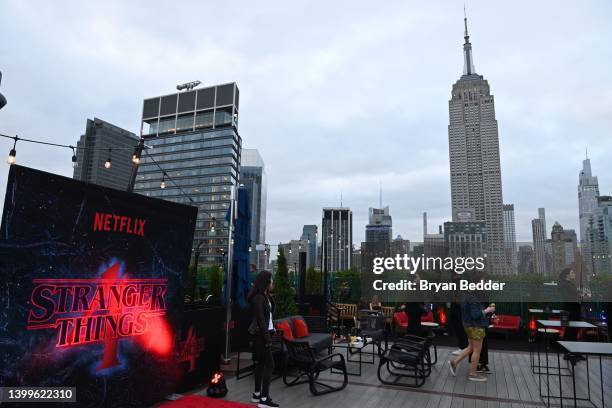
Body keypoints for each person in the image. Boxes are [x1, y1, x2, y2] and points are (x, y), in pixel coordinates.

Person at [449, 275, 495, 382]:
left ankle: (454, 362)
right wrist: (488, 310)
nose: (484, 285)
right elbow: (476, 315)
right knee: (477, 350)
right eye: (482, 283)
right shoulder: (474, 298)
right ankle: (472, 373)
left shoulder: (465, 295)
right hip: (476, 327)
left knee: (470, 348)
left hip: (468, 326)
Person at [247, 271, 279, 408]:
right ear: (266, 282)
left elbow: (268, 316)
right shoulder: (259, 298)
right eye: (271, 281)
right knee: (270, 365)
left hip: (267, 334)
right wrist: (268, 339)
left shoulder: (265, 296)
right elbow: (260, 320)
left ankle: (256, 395)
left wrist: (273, 329)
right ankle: (264, 399)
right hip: (262, 336)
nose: (273, 283)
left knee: (260, 364)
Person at [558, 267, 580, 341]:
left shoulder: (569, 284)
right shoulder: (564, 284)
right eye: (572, 273)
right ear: (567, 275)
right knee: (570, 330)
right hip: (570, 310)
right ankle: (568, 348)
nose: (574, 274)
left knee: (573, 330)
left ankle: (572, 348)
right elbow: (567, 297)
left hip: (573, 309)